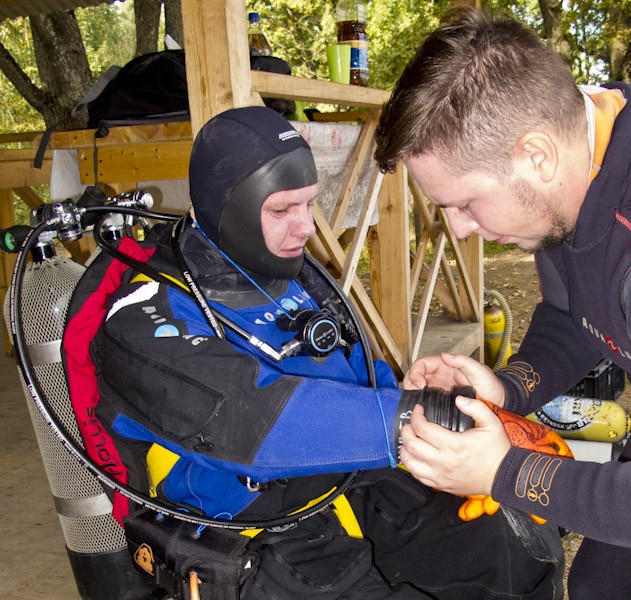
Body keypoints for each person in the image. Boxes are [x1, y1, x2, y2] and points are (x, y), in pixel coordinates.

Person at [374, 7, 631, 600]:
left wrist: (504, 473)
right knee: (603, 581)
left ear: (535, 155)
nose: (460, 229)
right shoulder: (584, 151)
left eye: (466, 203)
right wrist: (509, 388)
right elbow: (575, 311)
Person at [87, 105, 565, 599]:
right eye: (281, 210)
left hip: (349, 483)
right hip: (255, 529)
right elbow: (248, 421)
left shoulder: (295, 280)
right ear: (222, 204)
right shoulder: (143, 316)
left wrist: (417, 398)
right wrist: (416, 418)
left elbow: (353, 369)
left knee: (514, 550)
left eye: (308, 205)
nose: (306, 229)